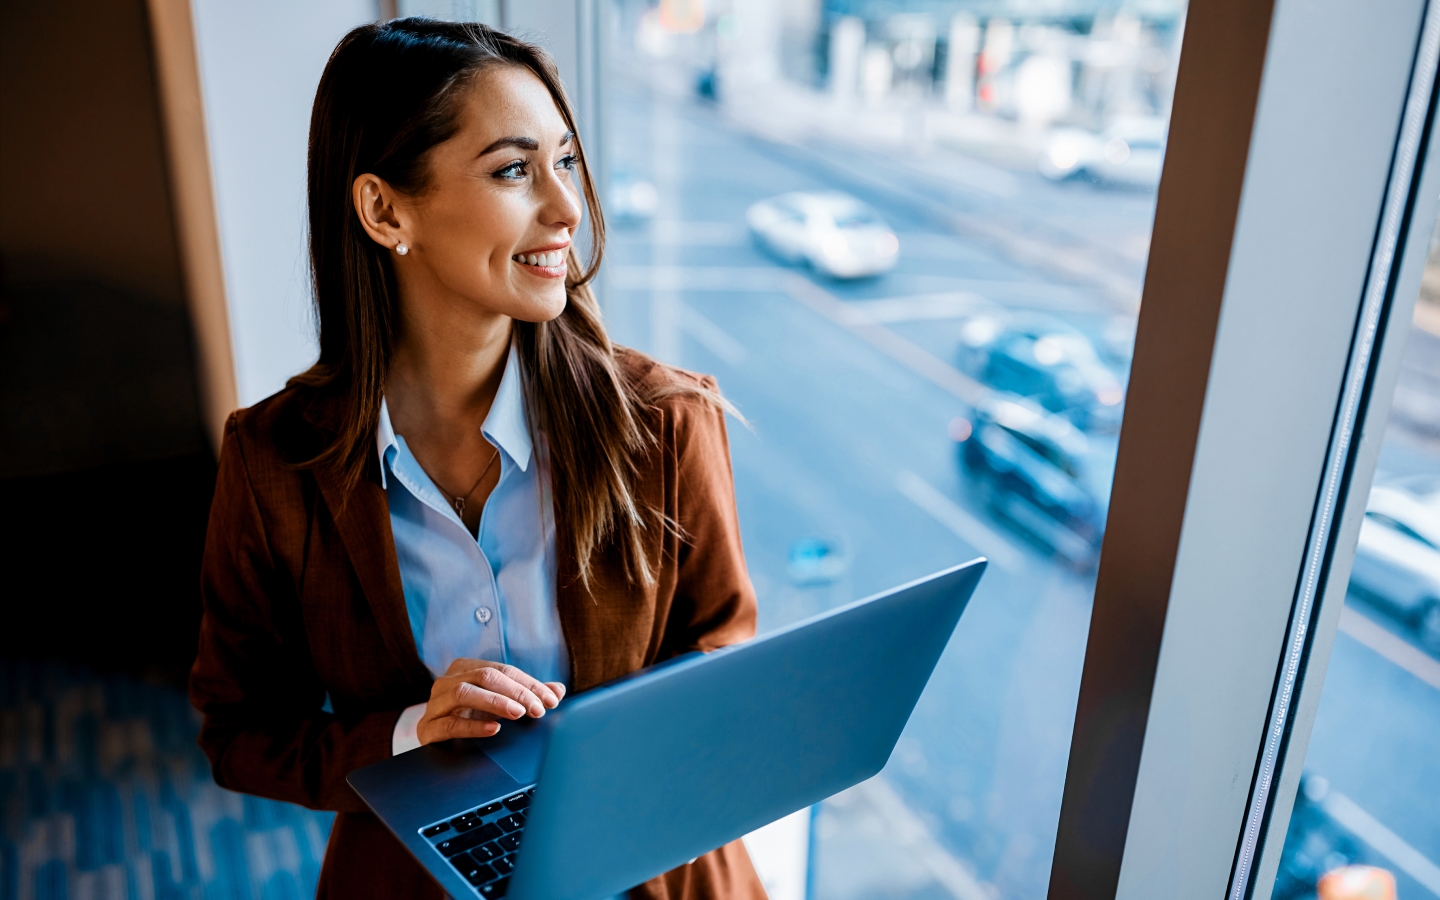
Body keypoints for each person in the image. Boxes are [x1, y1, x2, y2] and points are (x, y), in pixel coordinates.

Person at [189, 18, 766, 899]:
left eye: (565, 160)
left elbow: (726, 656)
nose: (567, 207)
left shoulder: (668, 421)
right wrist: (410, 733)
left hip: (664, 874)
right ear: (386, 210)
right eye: (512, 169)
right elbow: (237, 731)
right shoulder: (274, 463)